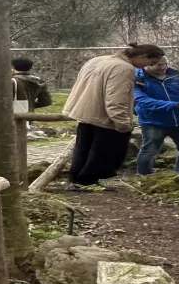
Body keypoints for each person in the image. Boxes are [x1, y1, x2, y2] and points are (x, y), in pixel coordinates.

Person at [63, 43, 165, 189]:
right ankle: (91, 180)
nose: (148, 66)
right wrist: (123, 122)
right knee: (105, 152)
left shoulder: (99, 60)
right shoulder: (123, 68)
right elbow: (116, 98)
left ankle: (77, 180)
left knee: (83, 149)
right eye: (152, 62)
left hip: (85, 112)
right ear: (142, 56)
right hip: (105, 117)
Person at [134, 57, 179, 175]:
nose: (163, 68)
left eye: (165, 64)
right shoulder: (138, 79)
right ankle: (144, 177)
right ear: (146, 65)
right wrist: (177, 105)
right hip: (153, 122)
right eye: (158, 65)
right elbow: (143, 101)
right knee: (149, 151)